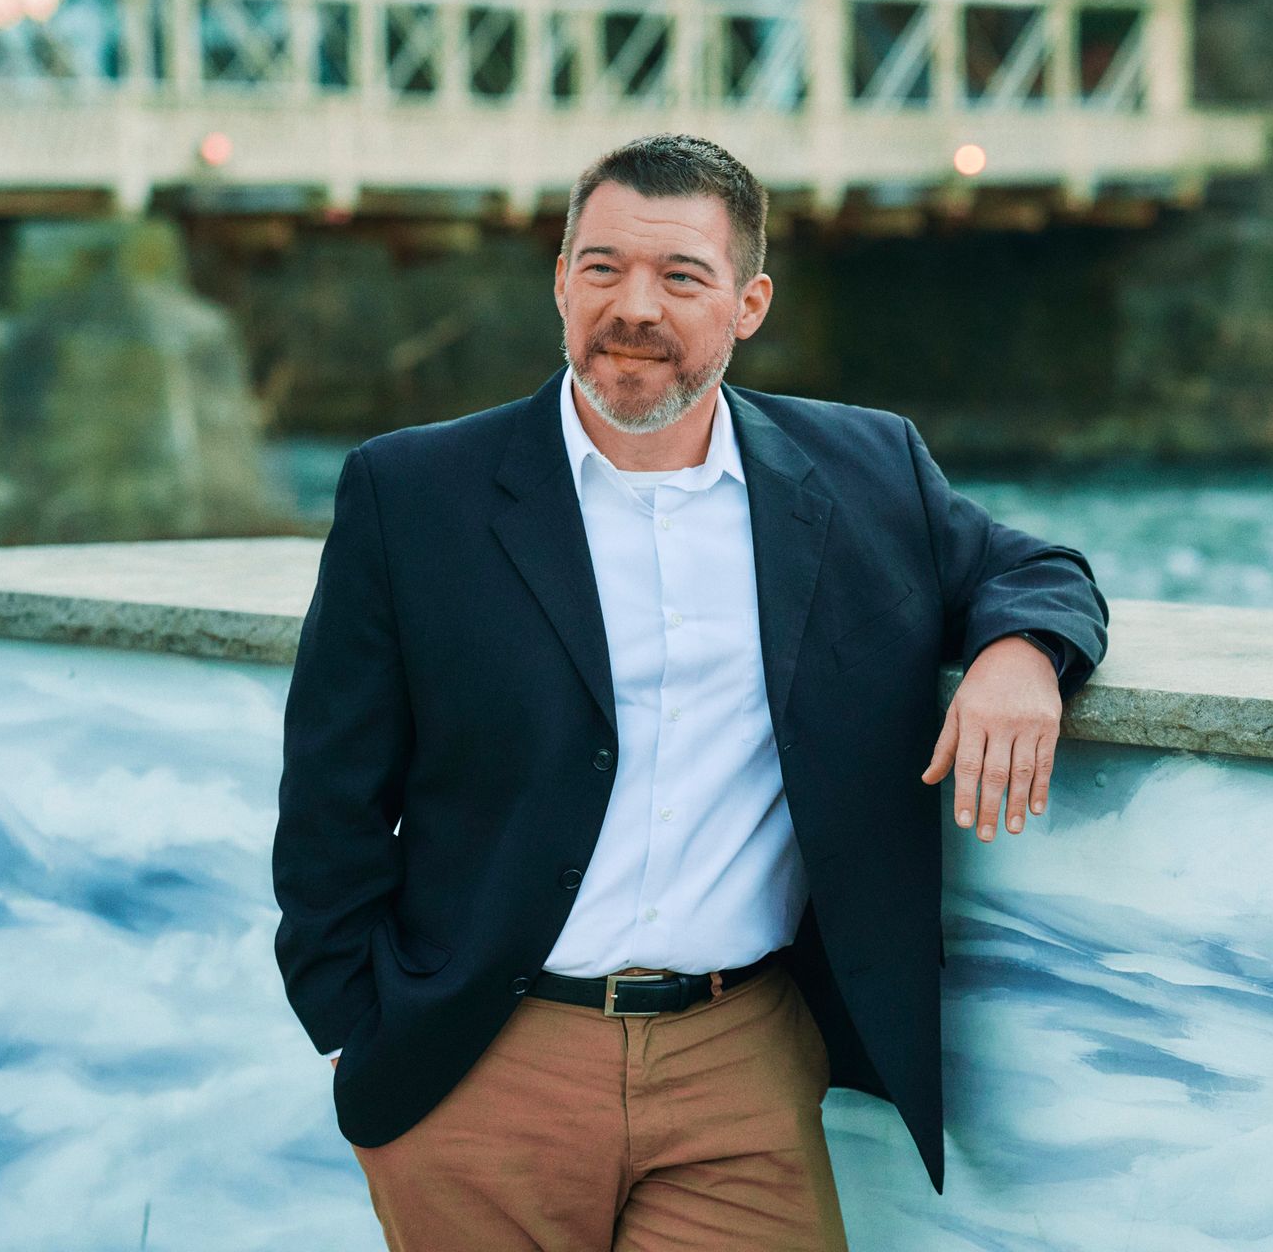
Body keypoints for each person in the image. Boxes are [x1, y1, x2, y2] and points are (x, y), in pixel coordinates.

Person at [272, 132, 1110, 1251]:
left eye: (681, 277)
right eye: (605, 267)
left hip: (742, 1063)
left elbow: (1039, 570)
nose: (635, 308)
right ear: (560, 280)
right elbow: (330, 791)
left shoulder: (866, 470)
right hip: (482, 1060)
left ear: (748, 302)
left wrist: (1020, 655)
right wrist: (356, 1027)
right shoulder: (411, 492)